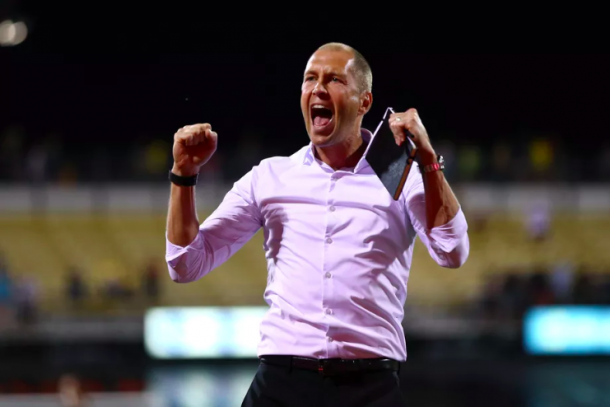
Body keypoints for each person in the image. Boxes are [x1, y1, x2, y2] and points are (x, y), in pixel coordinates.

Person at [165, 42, 470, 406]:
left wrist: (427, 160)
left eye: (334, 79)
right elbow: (185, 264)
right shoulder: (270, 177)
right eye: (310, 78)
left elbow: (452, 251)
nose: (318, 88)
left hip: (370, 386)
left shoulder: (402, 177)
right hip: (281, 383)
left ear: (365, 102)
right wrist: (183, 176)